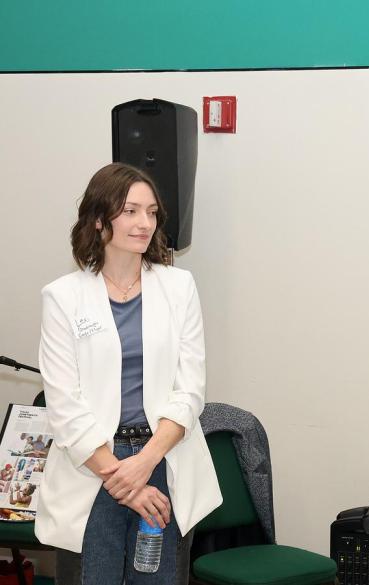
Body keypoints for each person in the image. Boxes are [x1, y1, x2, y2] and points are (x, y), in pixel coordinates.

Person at [36, 163, 222, 584]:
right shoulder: (63, 298)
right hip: (93, 468)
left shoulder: (179, 288)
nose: (145, 223)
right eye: (131, 211)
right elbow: (65, 405)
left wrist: (145, 464)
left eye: (152, 212)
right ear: (100, 219)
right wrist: (125, 481)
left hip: (163, 459)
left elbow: (190, 390)